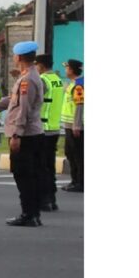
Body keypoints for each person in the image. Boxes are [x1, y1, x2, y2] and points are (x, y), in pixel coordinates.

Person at [0, 41, 45, 226]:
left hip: (26, 135)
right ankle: (32, 213)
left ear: (18, 57)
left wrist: (17, 134)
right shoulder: (29, 76)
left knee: (24, 175)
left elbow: (23, 109)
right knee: (29, 175)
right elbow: (11, 100)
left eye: (14, 55)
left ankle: (29, 214)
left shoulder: (27, 80)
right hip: (31, 133)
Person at [36, 54, 64, 211]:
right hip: (54, 128)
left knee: (41, 167)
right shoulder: (57, 80)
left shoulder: (43, 80)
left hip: (43, 129)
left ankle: (45, 200)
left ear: (40, 65)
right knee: (49, 166)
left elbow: (34, 101)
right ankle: (52, 199)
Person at [60, 59, 84, 192]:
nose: (65, 70)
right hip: (69, 125)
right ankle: (74, 181)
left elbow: (80, 105)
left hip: (76, 126)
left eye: (67, 68)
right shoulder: (72, 84)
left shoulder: (79, 85)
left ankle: (80, 182)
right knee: (70, 153)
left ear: (71, 70)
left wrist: (77, 125)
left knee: (78, 155)